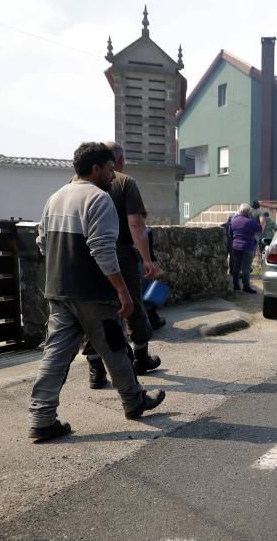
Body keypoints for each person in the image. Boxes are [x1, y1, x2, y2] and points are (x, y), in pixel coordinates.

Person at [29, 142, 165, 442]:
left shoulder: (55, 197)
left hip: (59, 290)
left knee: (55, 354)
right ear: (95, 169)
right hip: (94, 292)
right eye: (109, 167)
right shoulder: (98, 199)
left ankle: (41, 418)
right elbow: (102, 249)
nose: (113, 173)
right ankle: (133, 401)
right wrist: (123, 291)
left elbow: (42, 243)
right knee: (115, 347)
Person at [82, 141, 163, 388]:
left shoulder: (78, 183)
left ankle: (96, 369)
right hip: (120, 253)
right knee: (132, 305)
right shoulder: (125, 182)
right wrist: (148, 260)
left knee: (93, 310)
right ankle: (140, 358)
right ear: (119, 161)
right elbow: (135, 225)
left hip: (88, 254)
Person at [229, 203, 261, 293]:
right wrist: (251, 217)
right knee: (246, 268)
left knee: (236, 267)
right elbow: (259, 228)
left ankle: (236, 286)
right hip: (247, 247)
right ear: (248, 212)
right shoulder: (250, 221)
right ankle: (246, 286)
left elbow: (230, 233)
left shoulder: (233, 220)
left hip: (236, 246)